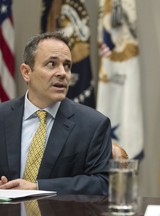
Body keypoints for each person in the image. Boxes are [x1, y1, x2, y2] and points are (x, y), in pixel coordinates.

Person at [0, 31, 112, 195]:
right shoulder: (2, 116)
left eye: (67, 66)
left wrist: (37, 187)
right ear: (26, 72)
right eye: (52, 64)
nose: (62, 73)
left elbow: (102, 184)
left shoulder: (93, 124)